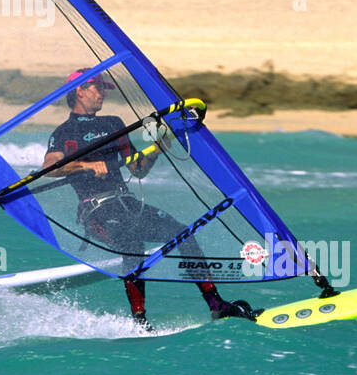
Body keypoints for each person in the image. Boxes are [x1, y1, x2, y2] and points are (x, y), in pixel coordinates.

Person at [43, 69, 258, 328]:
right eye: (97, 88)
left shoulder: (113, 123)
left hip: (127, 203)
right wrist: (84, 166)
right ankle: (139, 322)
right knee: (131, 245)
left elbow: (137, 169)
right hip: (96, 211)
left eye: (103, 89)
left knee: (183, 233)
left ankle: (216, 305)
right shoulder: (65, 131)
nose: (102, 94)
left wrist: (158, 147)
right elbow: (49, 168)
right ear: (80, 90)